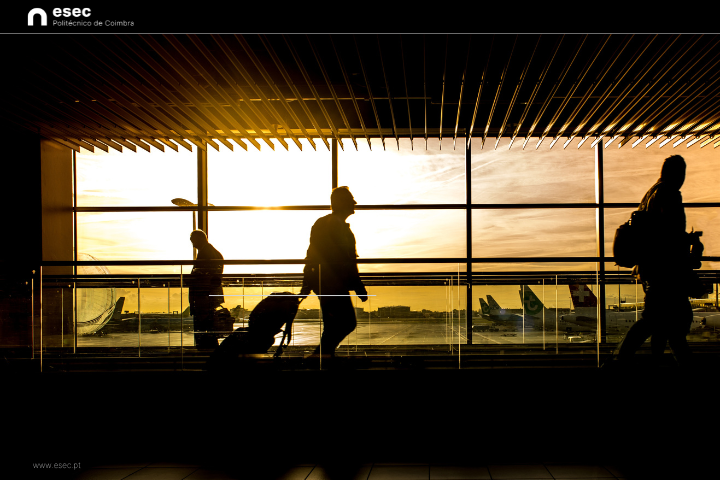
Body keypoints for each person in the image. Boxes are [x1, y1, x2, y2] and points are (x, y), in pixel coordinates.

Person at [614, 155, 700, 368]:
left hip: (651, 269)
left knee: (662, 322)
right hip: (666, 270)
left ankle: (632, 361)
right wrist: (688, 242)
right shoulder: (669, 194)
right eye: (682, 173)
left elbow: (656, 233)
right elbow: (668, 235)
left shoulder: (651, 194)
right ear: (677, 173)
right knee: (667, 322)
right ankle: (620, 361)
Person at [300, 187, 368, 358]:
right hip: (331, 283)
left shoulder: (326, 224)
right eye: (351, 199)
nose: (355, 202)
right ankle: (321, 356)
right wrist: (358, 285)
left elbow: (313, 255)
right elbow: (346, 261)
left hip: (327, 282)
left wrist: (307, 282)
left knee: (335, 325)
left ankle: (323, 357)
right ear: (342, 203)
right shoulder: (334, 226)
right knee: (346, 323)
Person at [189, 229, 225, 349]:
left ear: (200, 239)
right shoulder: (214, 252)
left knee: (203, 327)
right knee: (209, 327)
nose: (193, 244)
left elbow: (204, 275)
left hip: (204, 295)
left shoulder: (206, 253)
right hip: (209, 295)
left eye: (193, 241)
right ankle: (210, 351)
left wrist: (194, 276)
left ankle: (205, 351)